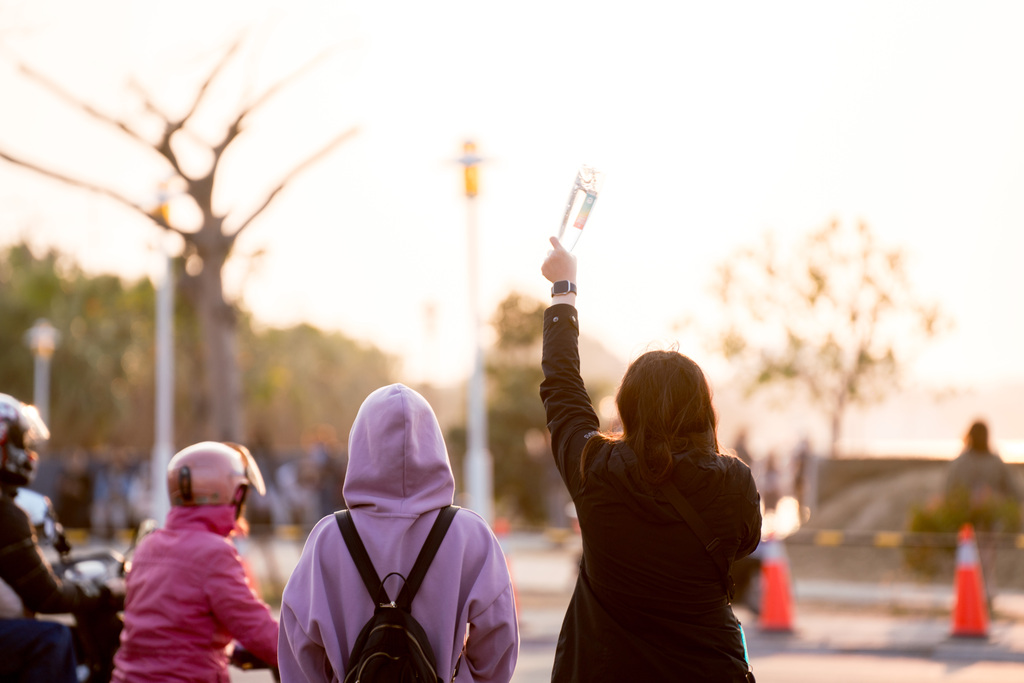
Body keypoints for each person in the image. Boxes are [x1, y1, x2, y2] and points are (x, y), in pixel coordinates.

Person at [539, 237, 762, 682]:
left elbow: (562, 389)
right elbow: (745, 544)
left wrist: (564, 289)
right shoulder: (733, 482)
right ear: (702, 411)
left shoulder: (595, 469)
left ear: (628, 407)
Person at [279, 383, 519, 682]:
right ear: (435, 443)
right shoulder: (470, 534)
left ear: (360, 444)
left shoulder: (327, 538)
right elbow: (499, 636)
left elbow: (299, 646)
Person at [112, 441, 279, 682]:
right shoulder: (215, 552)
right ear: (232, 493)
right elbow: (255, 628)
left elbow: (173, 628)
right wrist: (313, 652)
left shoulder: (148, 545)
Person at [0, 392, 123, 683]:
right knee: (52, 639)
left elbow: (22, 575)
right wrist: (107, 591)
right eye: (20, 443)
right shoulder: (5, 514)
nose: (28, 453)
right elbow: (48, 597)